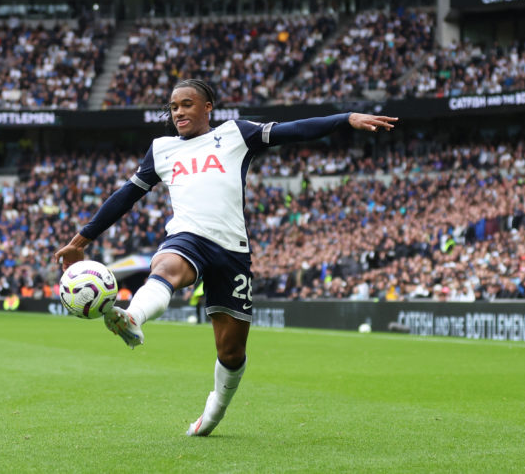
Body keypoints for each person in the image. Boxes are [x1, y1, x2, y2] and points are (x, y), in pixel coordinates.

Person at [54, 78, 397, 437]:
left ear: (208, 108)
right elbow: (126, 195)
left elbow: (294, 130)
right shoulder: (162, 149)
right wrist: (82, 239)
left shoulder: (236, 134)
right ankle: (131, 318)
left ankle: (214, 411)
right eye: (173, 107)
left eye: (187, 104)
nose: (179, 112)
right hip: (188, 236)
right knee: (166, 267)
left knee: (231, 353)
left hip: (232, 250)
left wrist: (345, 119)